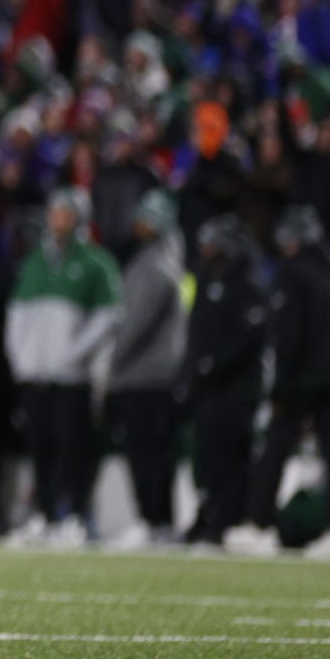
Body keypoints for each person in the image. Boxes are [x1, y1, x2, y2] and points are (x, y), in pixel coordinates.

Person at [225, 206, 330, 559]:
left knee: (275, 450)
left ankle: (259, 524)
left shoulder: (294, 273)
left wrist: (281, 385)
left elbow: (288, 334)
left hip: (302, 378)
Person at [4, 187, 120, 547]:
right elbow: (17, 317)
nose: (57, 220)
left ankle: (72, 516)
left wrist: (73, 354)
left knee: (72, 448)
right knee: (40, 446)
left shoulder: (95, 262)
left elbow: (108, 317)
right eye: (54, 212)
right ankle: (44, 513)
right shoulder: (36, 262)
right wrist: (21, 360)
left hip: (72, 378)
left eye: (65, 213)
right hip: (36, 376)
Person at [105, 189, 187, 548]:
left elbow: (135, 324)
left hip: (146, 375)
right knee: (153, 453)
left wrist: (112, 363)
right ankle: (157, 521)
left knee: (147, 453)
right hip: (151, 374)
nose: (136, 225)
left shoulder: (154, 266)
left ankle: (153, 520)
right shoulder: (159, 261)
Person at [181, 215, 269, 546]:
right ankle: (209, 514)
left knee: (233, 457)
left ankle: (230, 519)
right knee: (206, 458)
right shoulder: (205, 280)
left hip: (236, 388)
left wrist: (213, 364)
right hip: (208, 387)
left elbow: (248, 338)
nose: (205, 248)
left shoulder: (248, 285)